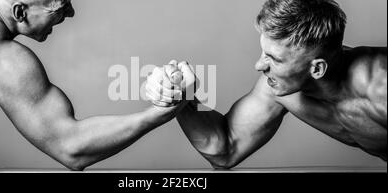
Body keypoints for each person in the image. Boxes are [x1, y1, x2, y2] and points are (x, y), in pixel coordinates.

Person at [0, 0, 183, 171]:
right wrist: (155, 116)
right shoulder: (3, 64)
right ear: (20, 12)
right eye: (61, 6)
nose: (72, 13)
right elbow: (72, 148)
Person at [146, 0, 387, 169]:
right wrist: (184, 97)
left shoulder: (381, 86)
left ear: (317, 68)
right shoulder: (277, 88)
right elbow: (225, 149)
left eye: (274, 59)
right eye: (264, 53)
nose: (258, 66)